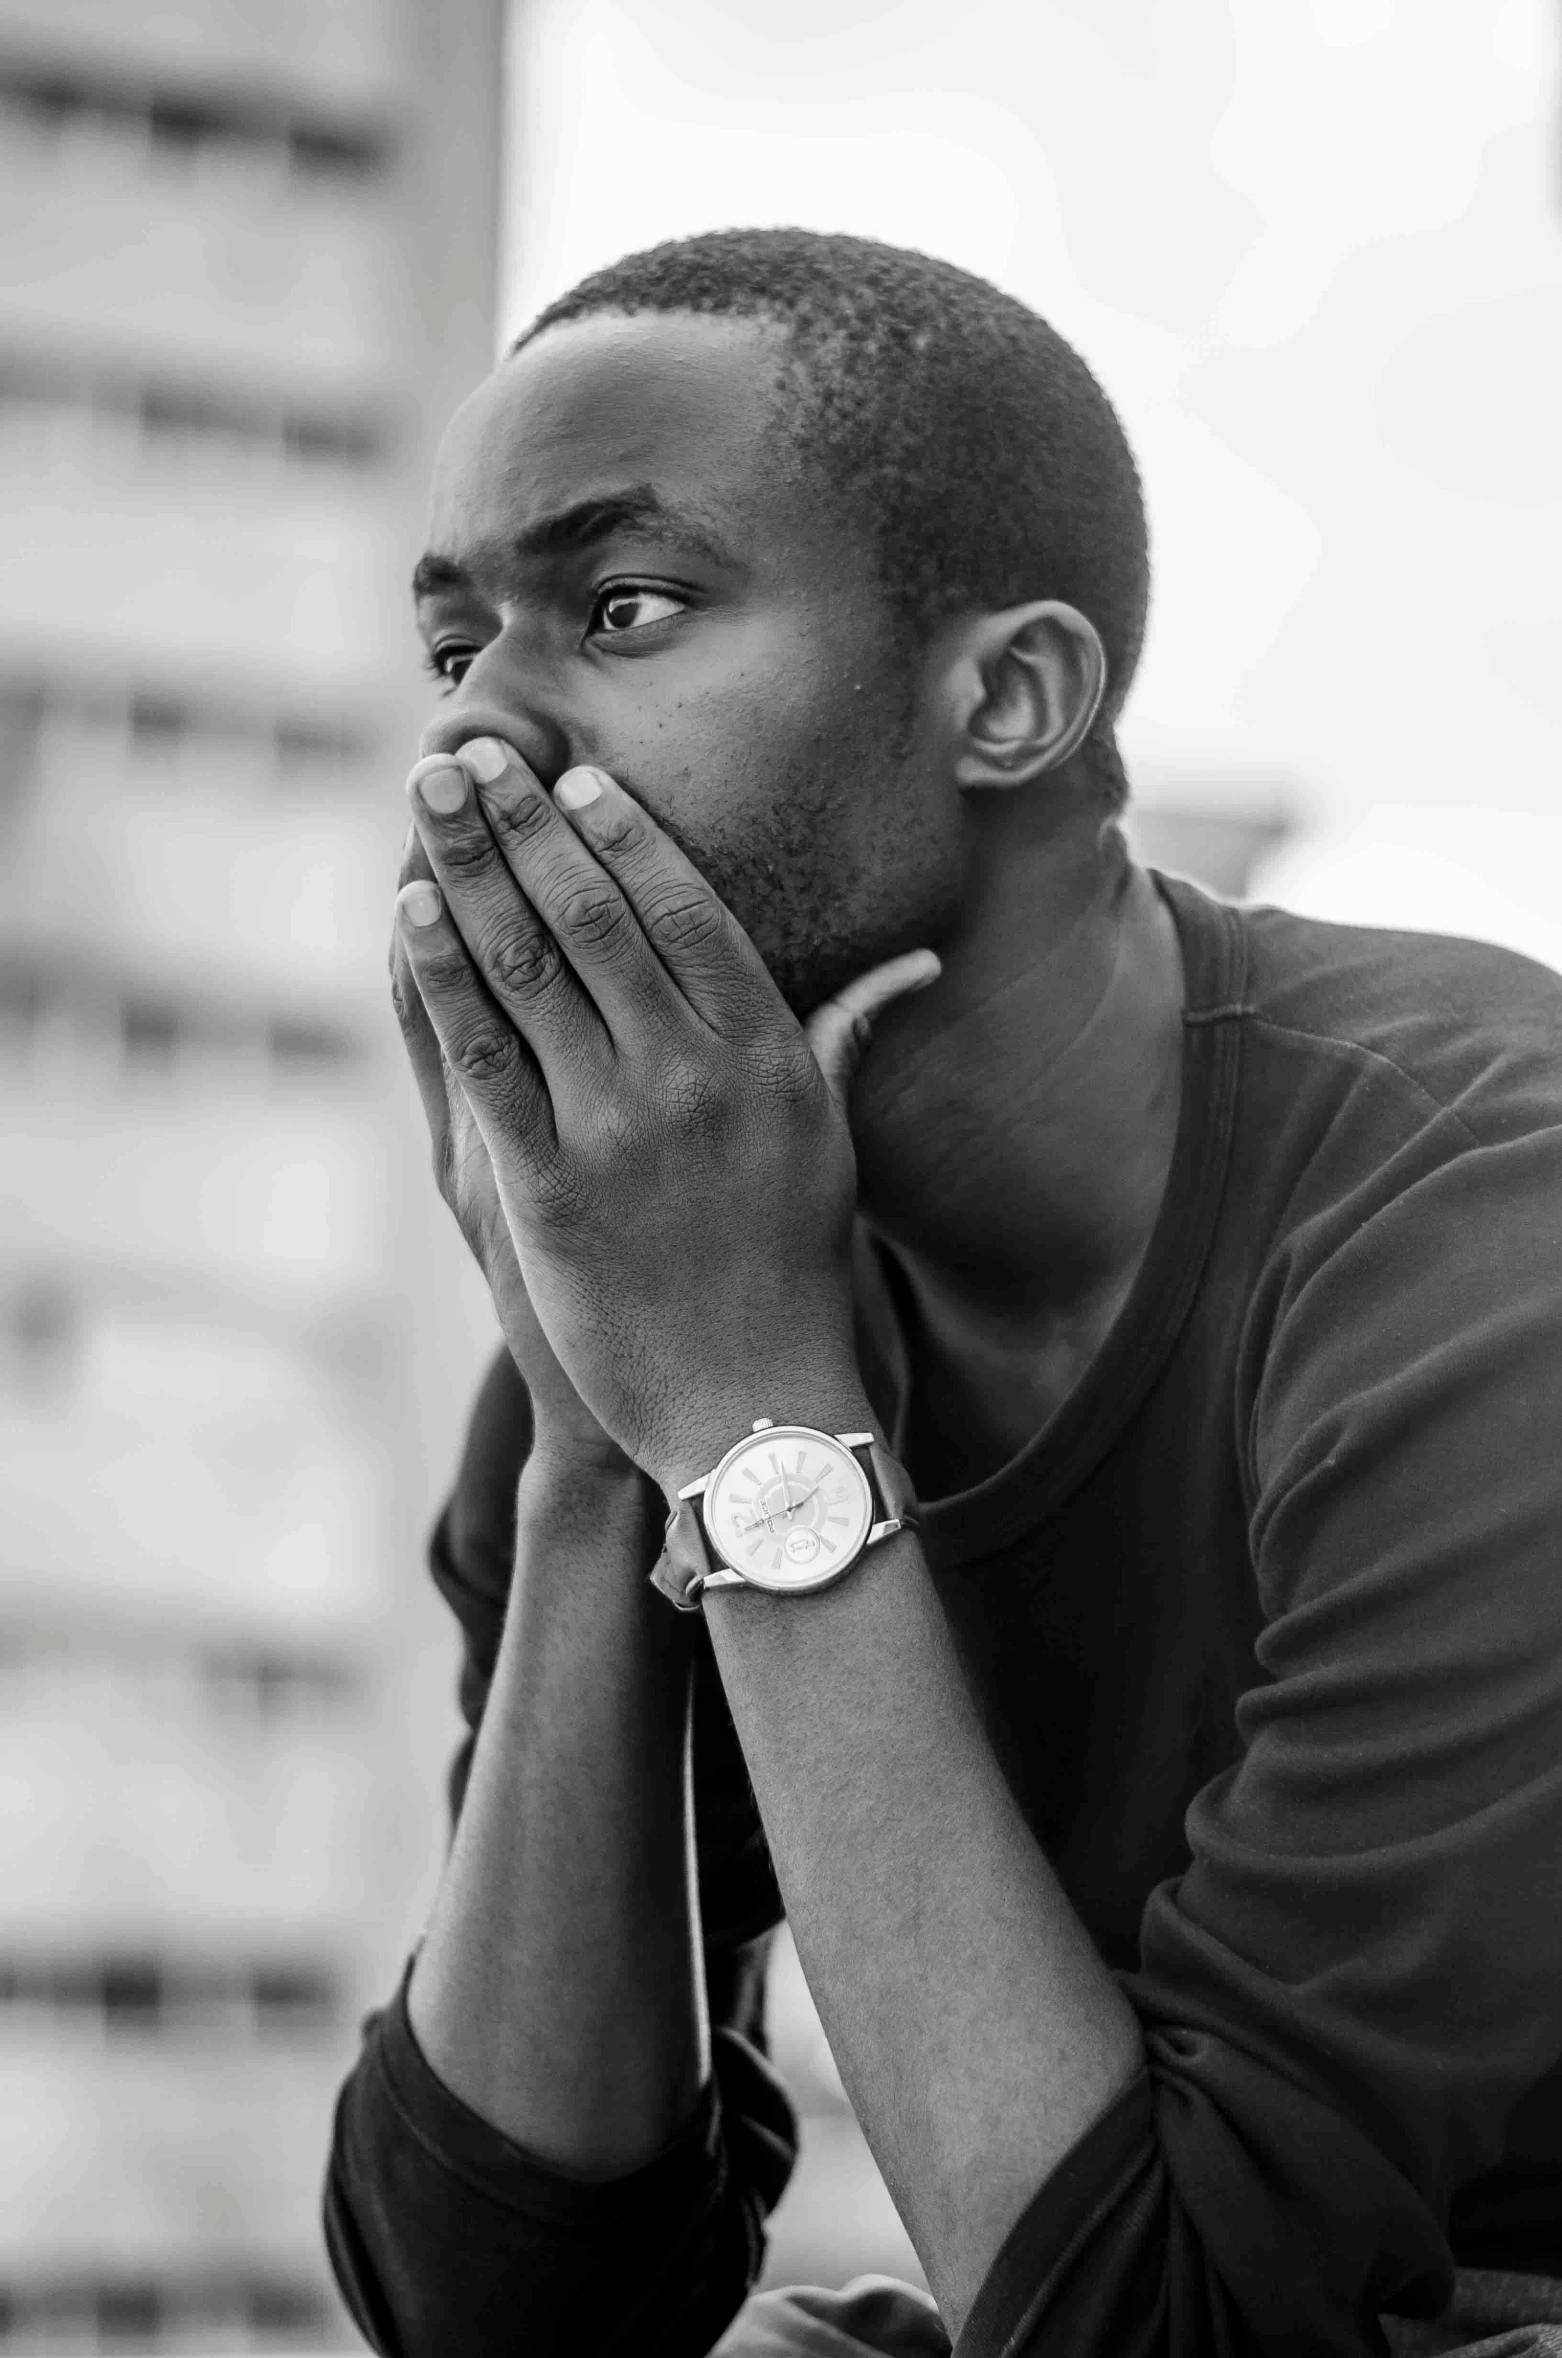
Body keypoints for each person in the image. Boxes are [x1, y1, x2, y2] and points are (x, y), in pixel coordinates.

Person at [322, 229, 1562, 2357]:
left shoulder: (1480, 1215)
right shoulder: (675, 1287)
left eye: (621, 612)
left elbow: (1151, 2330)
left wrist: (752, 1439)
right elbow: (503, 2312)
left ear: (1007, 696)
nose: (480, 751)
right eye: (456, 654)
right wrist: (595, 1447)